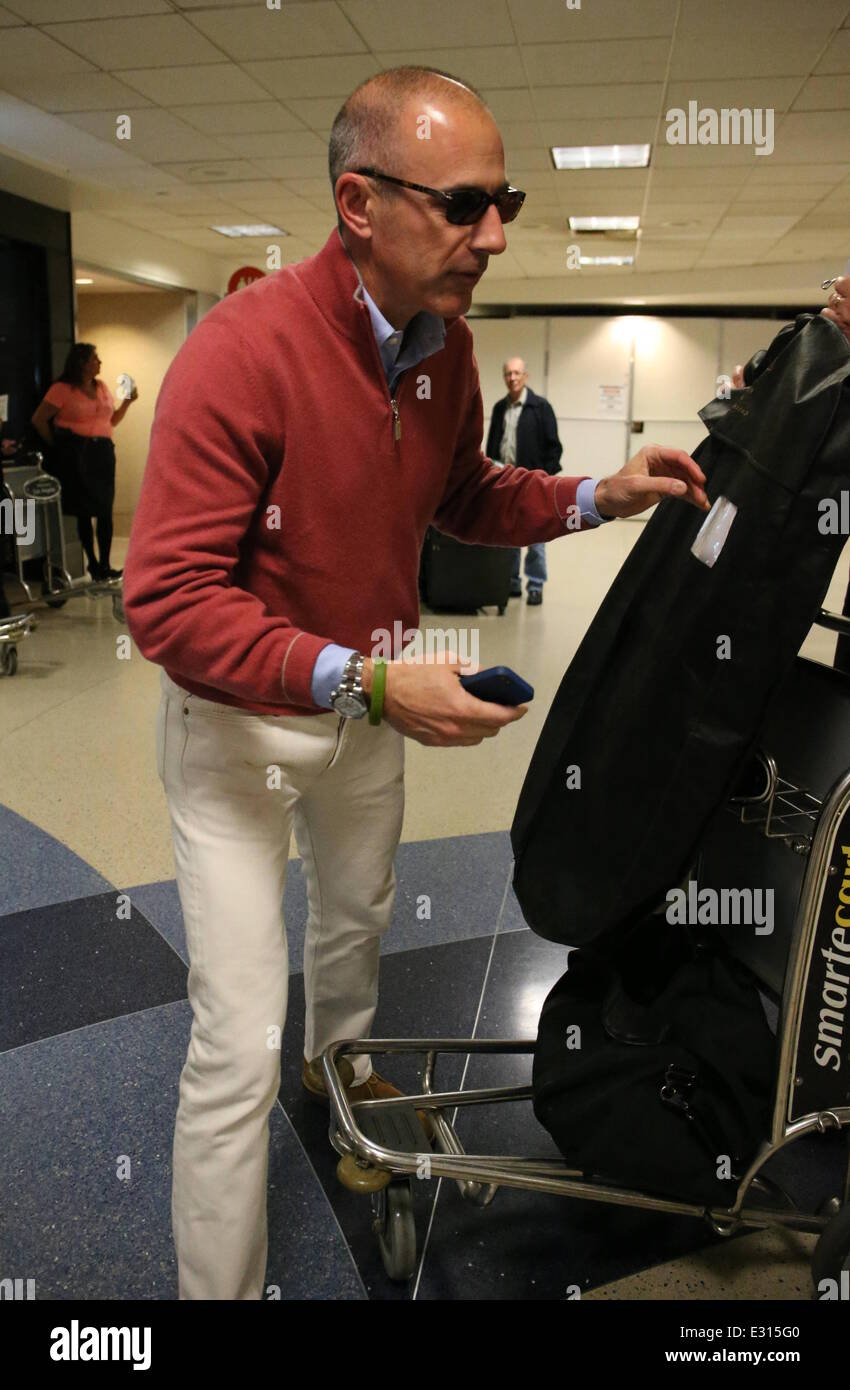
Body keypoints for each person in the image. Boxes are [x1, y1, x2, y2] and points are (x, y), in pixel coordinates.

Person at [122, 64, 715, 1301]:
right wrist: (375, 686)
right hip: (240, 736)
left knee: (357, 928)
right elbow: (168, 602)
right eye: (462, 205)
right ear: (357, 201)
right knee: (234, 1042)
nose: (492, 233)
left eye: (503, 201)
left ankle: (341, 1080)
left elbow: (462, 499)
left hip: (364, 707)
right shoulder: (243, 351)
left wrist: (598, 491)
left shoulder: (446, 351)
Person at [30, 343, 137, 581]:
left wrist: (127, 403)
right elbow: (39, 419)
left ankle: (106, 564)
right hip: (77, 452)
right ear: (82, 363)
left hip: (103, 451)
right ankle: (93, 562)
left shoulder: (101, 387)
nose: (99, 362)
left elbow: (111, 420)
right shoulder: (62, 389)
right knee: (84, 509)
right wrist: (57, 445)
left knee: (105, 508)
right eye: (95, 358)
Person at [486, 357, 563, 605]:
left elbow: (554, 448)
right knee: (510, 534)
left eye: (517, 373)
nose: (512, 378)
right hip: (506, 483)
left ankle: (536, 585)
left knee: (536, 537)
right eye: (508, 374)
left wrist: (544, 478)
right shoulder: (499, 408)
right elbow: (491, 447)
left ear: (525, 376)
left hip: (534, 484)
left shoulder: (541, 408)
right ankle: (513, 582)